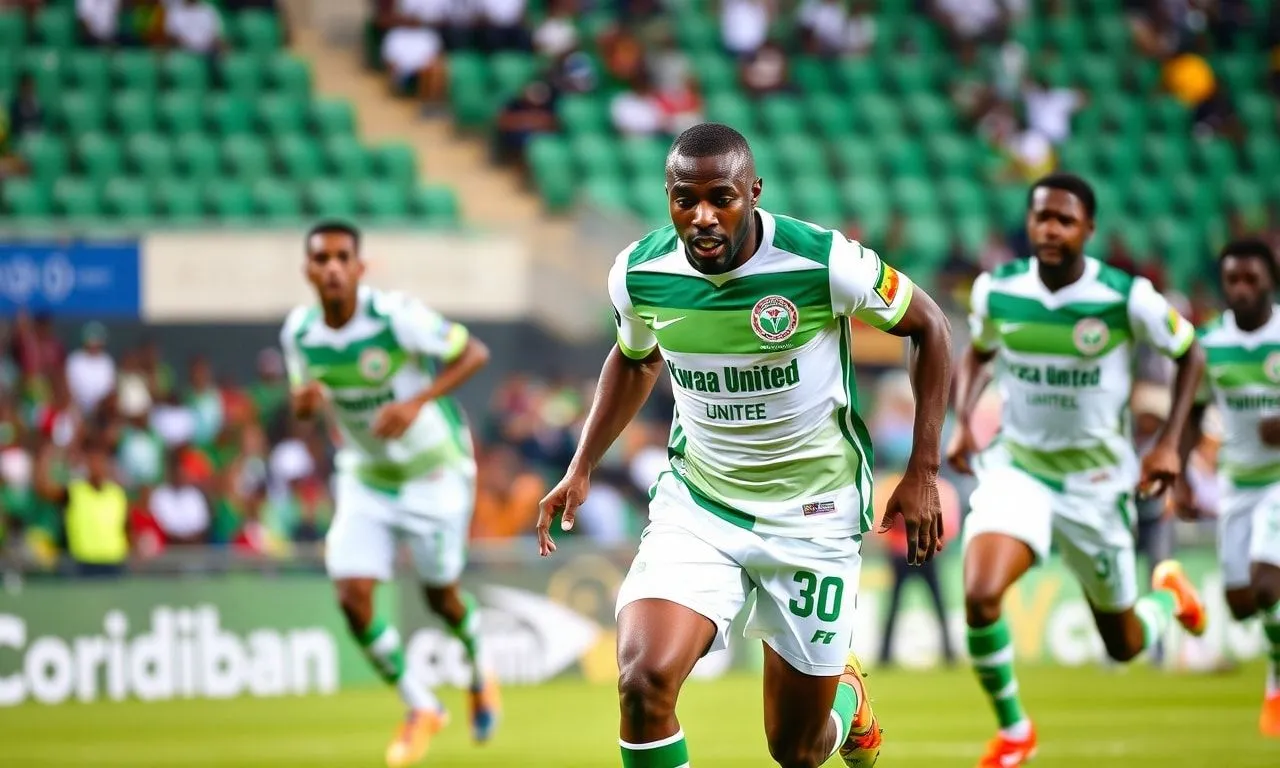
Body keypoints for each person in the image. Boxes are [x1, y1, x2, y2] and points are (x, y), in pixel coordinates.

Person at [536, 122, 953, 768]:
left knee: (798, 750)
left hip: (812, 516)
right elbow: (635, 356)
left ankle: (848, 704)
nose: (701, 216)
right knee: (642, 683)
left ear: (754, 192)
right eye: (684, 199)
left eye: (721, 197)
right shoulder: (640, 273)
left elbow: (930, 327)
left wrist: (923, 469)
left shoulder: (823, 263)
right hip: (699, 506)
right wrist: (582, 463)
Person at [946, 173, 1209, 768]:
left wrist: (1170, 444)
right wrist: (963, 419)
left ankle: (1168, 599)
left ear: (1088, 229)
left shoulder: (1125, 297)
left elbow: (1190, 351)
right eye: (1042, 217)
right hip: (1020, 469)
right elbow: (979, 353)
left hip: (1096, 485)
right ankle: (1015, 732)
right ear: (1030, 222)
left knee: (1124, 645)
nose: (1051, 228)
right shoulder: (996, 291)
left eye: (1065, 219)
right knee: (981, 594)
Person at [280, 221, 498, 767]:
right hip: (366, 476)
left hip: (434, 473)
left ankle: (479, 659)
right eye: (321, 259)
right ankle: (421, 705)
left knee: (440, 600)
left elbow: (474, 353)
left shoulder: (395, 316)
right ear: (309, 270)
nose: (331, 267)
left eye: (341, 257)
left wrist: (417, 401)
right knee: (352, 598)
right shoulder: (299, 334)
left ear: (359, 267)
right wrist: (304, 407)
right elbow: (305, 402)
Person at [1181, 238, 1280, 737]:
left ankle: (1276, 685)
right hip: (1236, 483)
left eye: (1251, 279)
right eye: (1232, 280)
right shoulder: (1210, 343)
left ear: (1270, 281)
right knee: (1242, 602)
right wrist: (1178, 472)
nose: (1241, 288)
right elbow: (1192, 410)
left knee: (1267, 585)